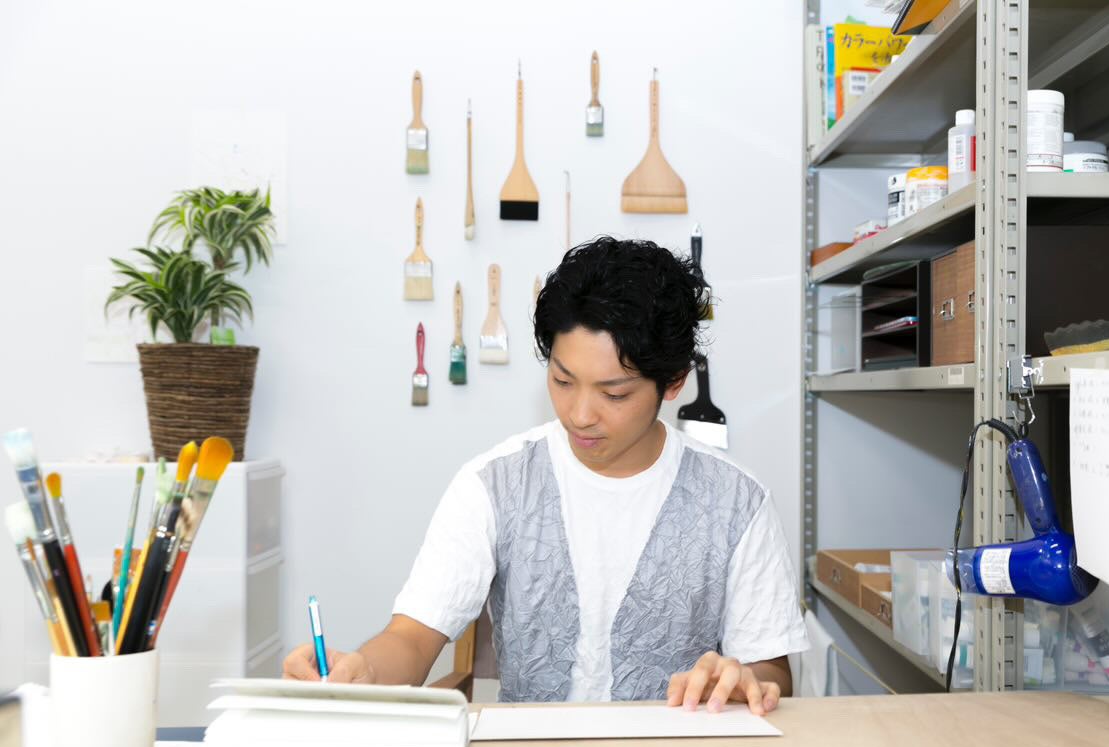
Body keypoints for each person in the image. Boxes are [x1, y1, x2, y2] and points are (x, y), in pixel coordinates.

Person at [284, 237, 808, 715]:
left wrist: (743, 677)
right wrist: (363, 672)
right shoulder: (496, 484)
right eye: (562, 380)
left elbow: (772, 670)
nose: (580, 413)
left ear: (672, 383)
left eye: (615, 393)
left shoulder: (736, 502)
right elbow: (414, 638)